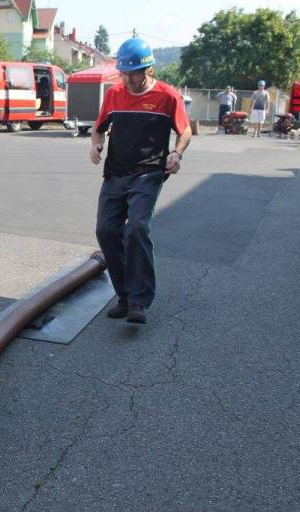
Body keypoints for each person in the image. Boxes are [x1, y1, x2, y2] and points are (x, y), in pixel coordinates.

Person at [90, 37, 192, 325]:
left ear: (148, 69)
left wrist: (177, 153)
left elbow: (185, 131)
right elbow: (98, 128)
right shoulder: (114, 94)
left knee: (136, 227)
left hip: (148, 172)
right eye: (123, 73)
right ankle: (123, 296)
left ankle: (138, 300)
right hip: (116, 172)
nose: (128, 80)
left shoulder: (167, 96)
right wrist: (96, 145)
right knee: (106, 230)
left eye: (133, 74)